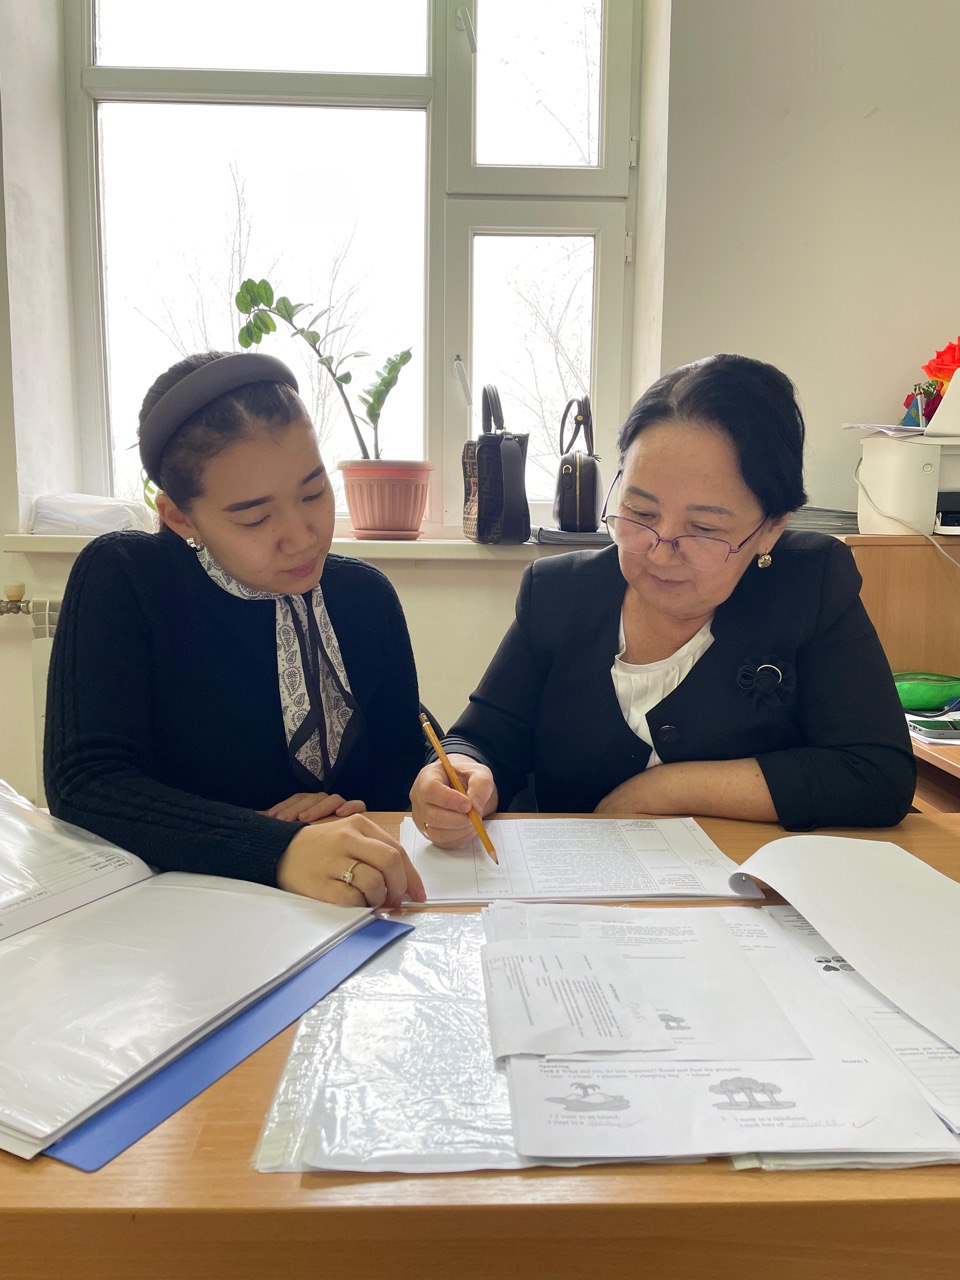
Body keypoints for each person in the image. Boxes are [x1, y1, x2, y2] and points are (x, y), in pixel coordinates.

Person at [411, 354, 915, 844]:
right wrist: (460, 771)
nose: (660, 550)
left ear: (771, 528)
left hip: (748, 890)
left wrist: (665, 789)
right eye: (641, 512)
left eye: (704, 528)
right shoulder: (557, 593)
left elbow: (877, 773)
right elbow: (482, 739)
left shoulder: (810, 585)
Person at [45, 350, 426, 907]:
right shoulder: (125, 579)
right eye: (255, 517)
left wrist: (354, 810)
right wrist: (278, 847)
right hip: (185, 915)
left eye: (314, 493)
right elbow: (86, 785)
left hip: (344, 904)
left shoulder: (365, 596)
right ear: (180, 517)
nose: (303, 537)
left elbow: (399, 764)